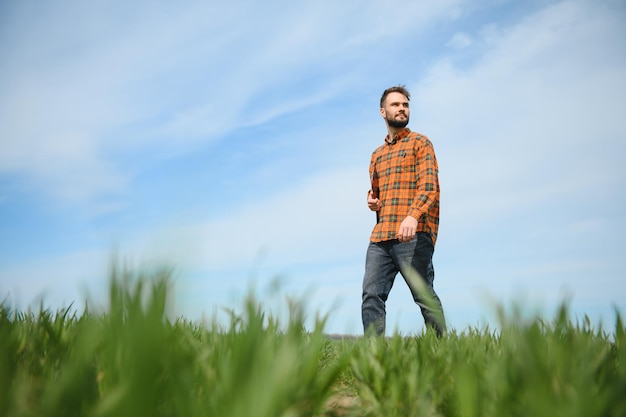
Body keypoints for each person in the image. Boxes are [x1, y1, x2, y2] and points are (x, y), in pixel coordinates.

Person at [362, 85, 447, 337]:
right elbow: (376, 194)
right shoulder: (376, 155)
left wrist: (413, 215)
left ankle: (441, 350)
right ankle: (373, 357)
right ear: (382, 111)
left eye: (405, 105)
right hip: (381, 236)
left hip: (414, 233)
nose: (401, 108)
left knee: (423, 295)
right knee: (371, 295)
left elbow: (429, 186)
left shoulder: (420, 143)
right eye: (396, 105)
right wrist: (372, 201)